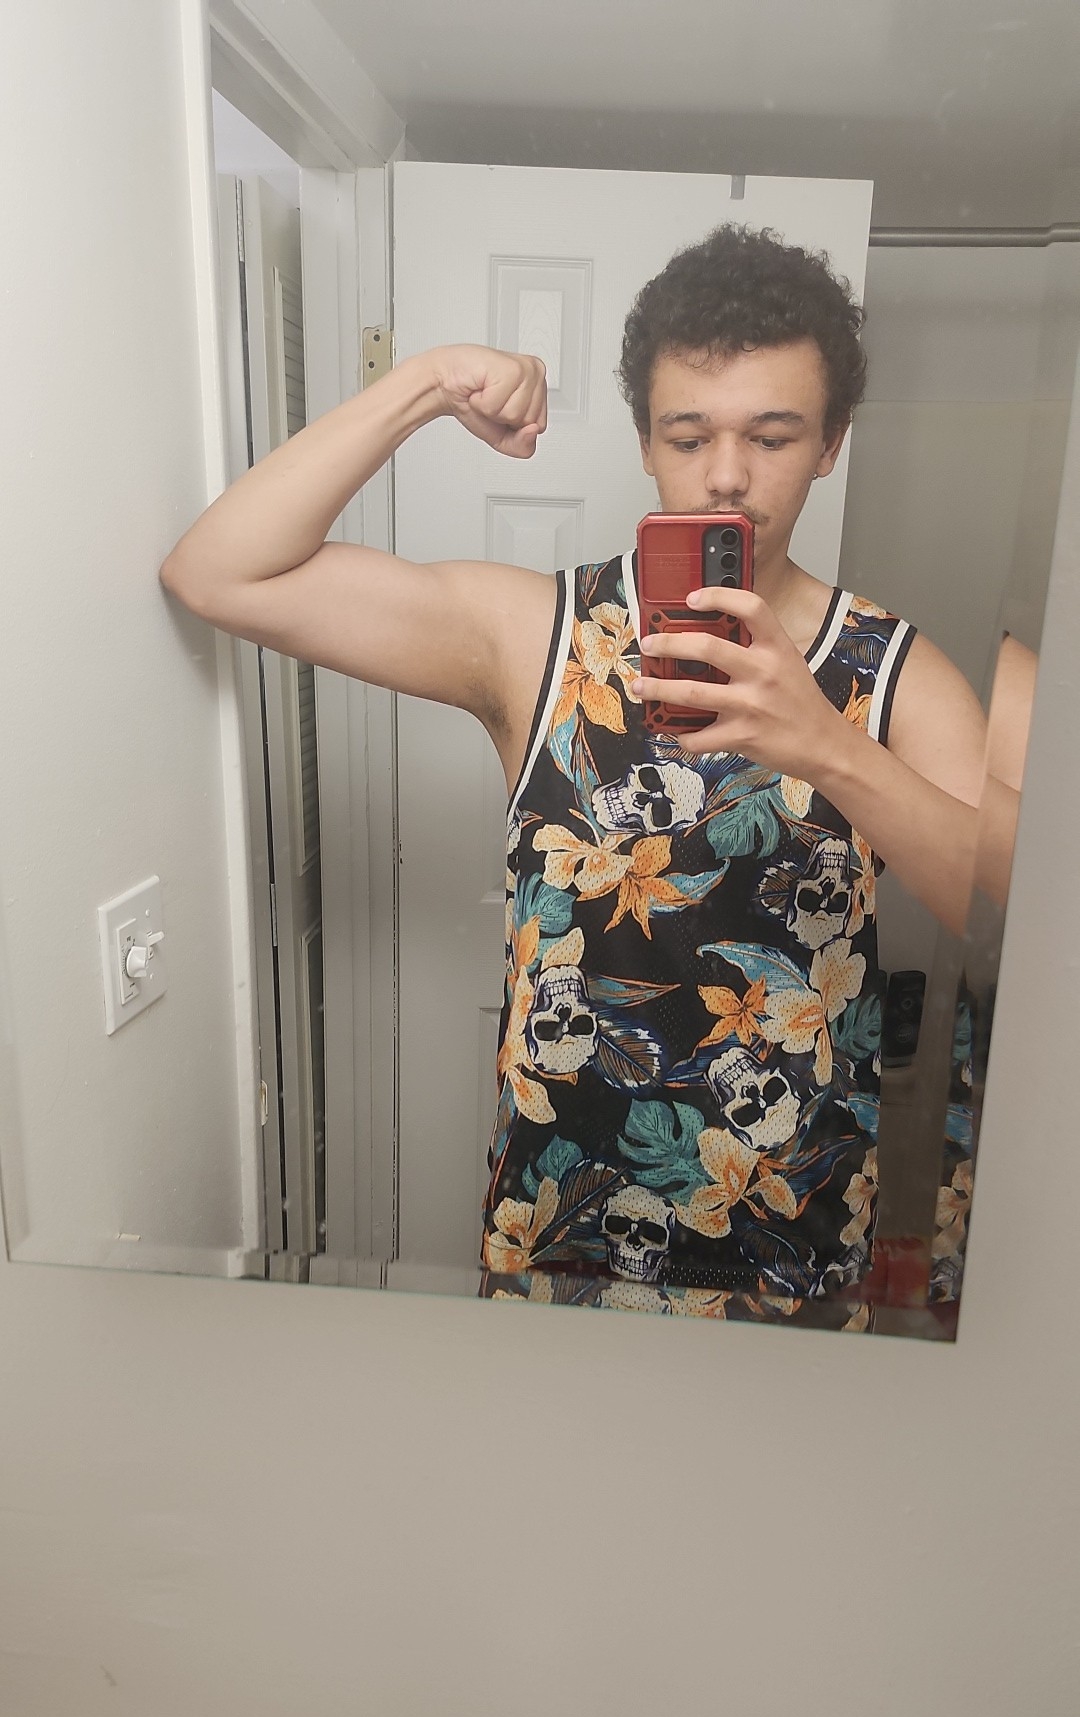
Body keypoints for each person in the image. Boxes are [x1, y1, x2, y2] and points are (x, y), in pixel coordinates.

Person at [161, 224, 989, 1328]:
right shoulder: (534, 637)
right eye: (688, 434)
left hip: (795, 1242)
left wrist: (827, 743)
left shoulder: (892, 672)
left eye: (773, 435)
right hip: (560, 1235)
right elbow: (218, 573)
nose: (727, 474)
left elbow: (1005, 907)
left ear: (832, 443)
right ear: (646, 440)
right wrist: (426, 384)